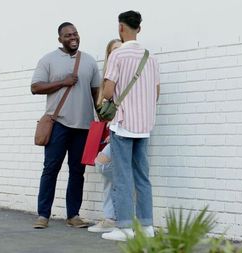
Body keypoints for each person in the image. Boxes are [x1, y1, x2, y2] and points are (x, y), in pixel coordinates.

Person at [30, 22, 101, 229]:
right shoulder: (48, 60)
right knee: (50, 169)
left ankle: (73, 215)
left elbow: (96, 92)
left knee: (77, 171)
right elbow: (35, 87)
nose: (73, 37)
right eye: (68, 35)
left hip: (84, 127)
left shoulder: (88, 61)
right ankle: (43, 215)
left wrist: (101, 120)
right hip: (58, 123)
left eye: (75, 34)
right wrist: (63, 82)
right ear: (60, 38)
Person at [100, 11, 160, 241]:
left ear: (121, 29)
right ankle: (147, 227)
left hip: (123, 124)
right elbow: (156, 93)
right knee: (142, 176)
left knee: (123, 175)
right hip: (144, 126)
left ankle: (124, 228)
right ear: (140, 29)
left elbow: (107, 91)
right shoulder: (150, 58)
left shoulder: (118, 55)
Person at [88, 39, 122, 233]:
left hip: (124, 130)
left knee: (102, 165)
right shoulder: (107, 79)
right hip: (113, 130)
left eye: (119, 49)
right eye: (113, 52)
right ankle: (110, 218)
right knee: (108, 177)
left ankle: (115, 216)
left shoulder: (127, 74)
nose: (116, 54)